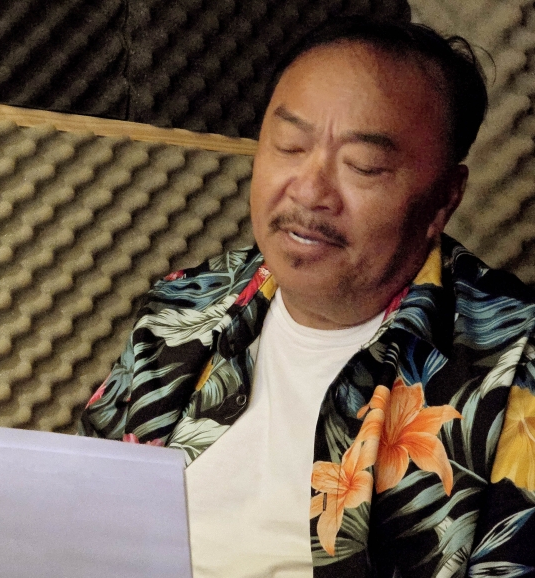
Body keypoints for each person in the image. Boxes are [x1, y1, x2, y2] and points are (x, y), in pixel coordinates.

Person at [79, 16, 535, 578]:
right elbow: (76, 513)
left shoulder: (515, 373)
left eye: (363, 167)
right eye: (290, 146)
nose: (310, 190)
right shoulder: (184, 308)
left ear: (444, 198)